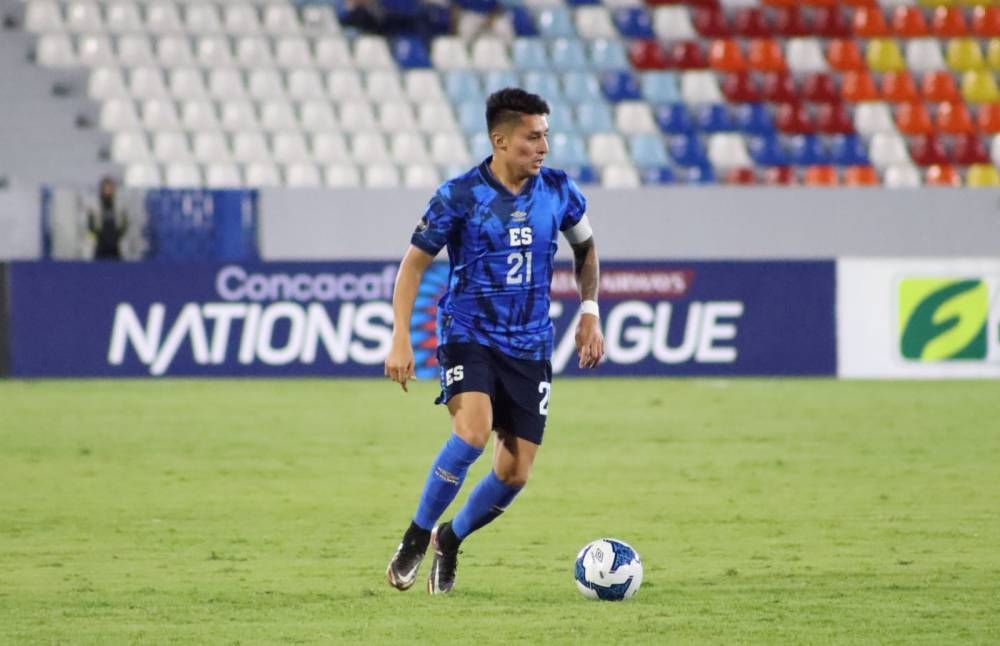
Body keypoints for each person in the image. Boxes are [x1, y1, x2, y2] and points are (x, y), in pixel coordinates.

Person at [384, 88, 604, 595]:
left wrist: (590, 311)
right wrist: (401, 335)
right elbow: (413, 265)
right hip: (469, 333)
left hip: (530, 345)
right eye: (532, 137)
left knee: (515, 472)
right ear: (500, 140)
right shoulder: (459, 196)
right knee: (473, 434)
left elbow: (586, 248)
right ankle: (416, 535)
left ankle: (450, 539)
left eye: (546, 135)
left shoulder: (559, 190)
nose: (543, 147)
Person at [87, 176, 128, 260]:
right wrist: (95, 235)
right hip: (100, 241)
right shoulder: (95, 204)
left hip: (115, 241)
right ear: (102, 189)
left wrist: (120, 234)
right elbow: (90, 222)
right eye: (106, 188)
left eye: (110, 188)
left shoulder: (119, 204)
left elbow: (124, 221)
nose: (109, 190)